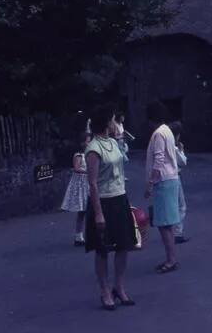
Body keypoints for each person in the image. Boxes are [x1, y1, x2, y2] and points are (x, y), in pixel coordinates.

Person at [84, 105, 137, 310]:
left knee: (124, 246)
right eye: (114, 120)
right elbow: (93, 183)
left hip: (119, 199)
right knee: (103, 249)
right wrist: (98, 214)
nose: (116, 123)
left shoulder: (113, 143)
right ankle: (105, 291)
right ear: (107, 123)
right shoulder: (93, 149)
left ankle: (119, 287)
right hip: (103, 202)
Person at [144, 101, 182, 274]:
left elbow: (159, 160)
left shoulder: (158, 134)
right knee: (167, 223)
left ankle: (171, 260)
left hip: (163, 180)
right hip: (171, 178)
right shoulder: (167, 130)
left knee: (164, 224)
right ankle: (170, 258)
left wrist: (150, 184)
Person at [61, 130, 91, 246]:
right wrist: (88, 171)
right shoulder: (79, 155)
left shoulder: (89, 154)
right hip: (81, 184)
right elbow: (76, 168)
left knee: (89, 210)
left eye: (90, 141)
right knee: (82, 211)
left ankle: (88, 235)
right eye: (87, 141)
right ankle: (78, 236)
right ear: (82, 143)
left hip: (88, 183)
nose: (89, 143)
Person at [171, 121, 189, 244]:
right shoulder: (175, 147)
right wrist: (182, 150)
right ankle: (177, 232)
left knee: (175, 205)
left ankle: (175, 231)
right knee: (181, 206)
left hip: (167, 178)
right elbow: (183, 162)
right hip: (174, 176)